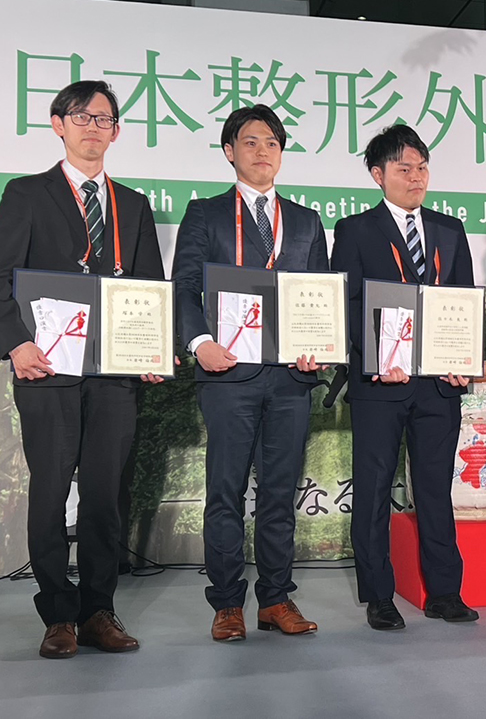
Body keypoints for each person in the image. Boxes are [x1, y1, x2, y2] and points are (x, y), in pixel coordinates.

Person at [0, 80, 165, 658]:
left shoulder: (132, 204)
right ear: (58, 124)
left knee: (106, 494)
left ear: (116, 131)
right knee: (51, 490)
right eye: (81, 116)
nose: (93, 127)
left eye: (104, 119)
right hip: (46, 369)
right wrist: (16, 345)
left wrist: (153, 351)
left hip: (112, 374)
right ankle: (58, 613)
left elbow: (149, 287)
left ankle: (98, 610)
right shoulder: (27, 194)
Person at [172, 105, 327, 641]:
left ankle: (276, 599)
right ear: (229, 151)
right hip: (228, 372)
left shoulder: (306, 221)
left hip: (290, 378)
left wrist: (318, 348)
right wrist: (200, 344)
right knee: (226, 491)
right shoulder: (205, 213)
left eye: (272, 143)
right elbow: (184, 286)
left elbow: (318, 295)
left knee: (280, 492)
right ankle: (227, 604)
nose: (263, 151)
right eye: (251, 142)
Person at [331, 124, 479, 630]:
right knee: (374, 489)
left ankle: (445, 592)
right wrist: (375, 358)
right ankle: (379, 596)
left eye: (422, 167)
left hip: (438, 385)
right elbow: (348, 303)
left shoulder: (449, 229)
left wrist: (462, 360)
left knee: (435, 489)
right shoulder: (355, 230)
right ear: (378, 175)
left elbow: (462, 301)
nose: (416, 177)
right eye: (404, 168)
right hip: (381, 385)